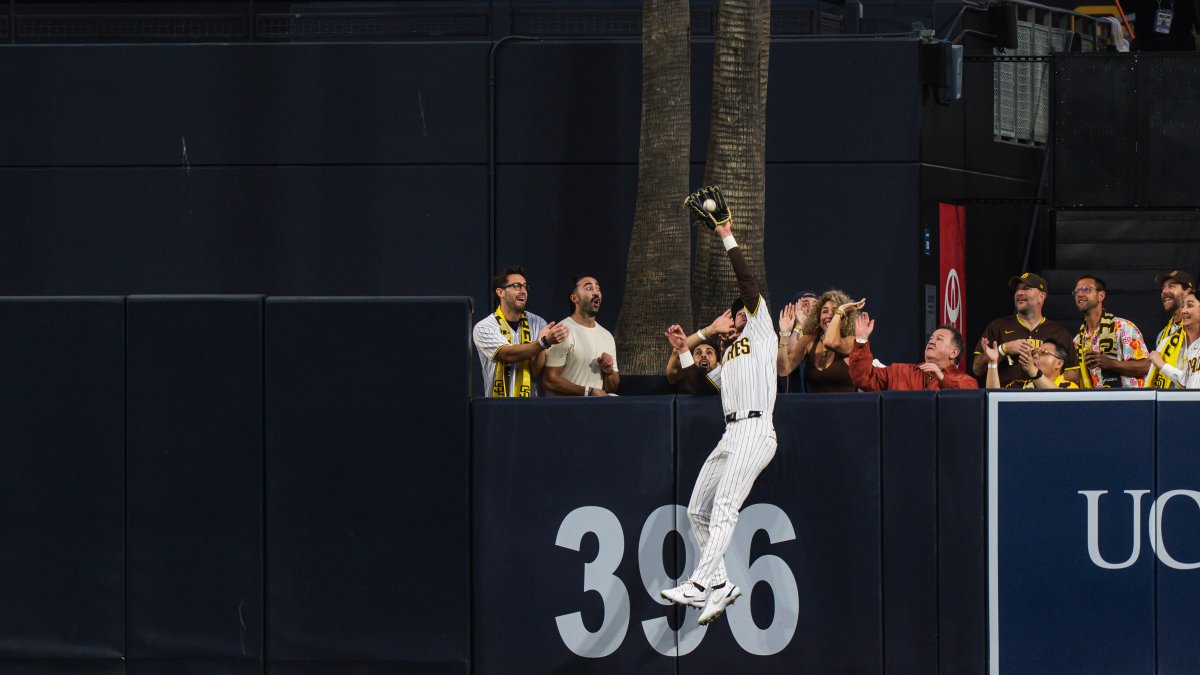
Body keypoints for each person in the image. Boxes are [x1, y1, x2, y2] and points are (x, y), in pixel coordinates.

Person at [660, 185, 777, 626]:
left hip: (756, 430)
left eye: (736, 314)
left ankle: (698, 582)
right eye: (732, 315)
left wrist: (727, 234)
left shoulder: (762, 330)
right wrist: (685, 346)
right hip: (732, 432)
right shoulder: (728, 354)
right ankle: (722, 583)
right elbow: (696, 383)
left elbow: (748, 286)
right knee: (696, 509)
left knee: (726, 506)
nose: (733, 318)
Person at [472, 265, 569, 397]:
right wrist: (543, 342)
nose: (523, 291)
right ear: (500, 292)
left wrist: (542, 346)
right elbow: (506, 355)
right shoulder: (484, 327)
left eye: (525, 286)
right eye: (517, 286)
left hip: (528, 407)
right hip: (495, 408)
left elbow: (535, 370)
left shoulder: (539, 323)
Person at [972, 272, 1080, 387]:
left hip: (1044, 398)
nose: (1019, 293)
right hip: (1006, 396)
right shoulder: (998, 326)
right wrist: (1003, 349)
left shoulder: (1059, 333)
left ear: (1041, 297)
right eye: (1017, 289)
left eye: (1026, 288)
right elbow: (977, 369)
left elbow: (1074, 372)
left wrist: (1045, 379)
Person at [848, 308, 978, 391]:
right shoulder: (900, 372)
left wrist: (942, 379)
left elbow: (969, 398)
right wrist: (861, 340)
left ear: (954, 352)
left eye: (939, 339)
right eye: (931, 338)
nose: (932, 341)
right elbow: (864, 378)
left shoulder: (965, 382)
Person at [543, 275, 620, 396]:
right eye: (589, 288)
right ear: (574, 298)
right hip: (565, 411)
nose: (596, 293)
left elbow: (612, 388)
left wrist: (608, 371)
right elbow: (549, 381)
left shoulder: (607, 336)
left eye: (598, 289)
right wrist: (588, 392)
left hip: (596, 411)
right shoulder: (562, 331)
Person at [1071, 275, 1149, 388]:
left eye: (1086, 289)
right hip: (1099, 402)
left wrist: (1109, 364)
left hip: (1131, 400)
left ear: (1101, 296)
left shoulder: (1123, 327)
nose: (1079, 294)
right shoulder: (1077, 341)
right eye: (1076, 291)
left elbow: (1146, 366)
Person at [777, 290, 861, 393]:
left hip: (845, 407)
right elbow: (783, 370)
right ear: (818, 317)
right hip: (813, 407)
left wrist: (841, 309)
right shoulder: (808, 341)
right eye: (824, 311)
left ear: (844, 318)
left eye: (834, 312)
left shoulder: (852, 341)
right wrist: (784, 334)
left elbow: (830, 342)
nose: (828, 316)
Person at [1146, 270, 1195, 388]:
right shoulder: (1163, 335)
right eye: (1163, 288)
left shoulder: (1196, 331)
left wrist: (1162, 365)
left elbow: (1193, 381)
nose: (1164, 291)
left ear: (1187, 292)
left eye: (1171, 286)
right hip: (1167, 402)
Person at [664, 313, 733, 395]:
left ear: (718, 364)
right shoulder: (681, 378)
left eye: (709, 353)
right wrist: (709, 330)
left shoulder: (726, 380)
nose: (703, 355)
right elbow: (677, 352)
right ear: (690, 360)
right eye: (698, 353)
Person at [981, 336, 1078, 389]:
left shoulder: (1069, 387)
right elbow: (994, 399)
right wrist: (992, 363)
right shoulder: (1020, 386)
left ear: (1059, 364)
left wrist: (1033, 371)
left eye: (1043, 353)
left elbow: (1059, 400)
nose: (1035, 355)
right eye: (1035, 352)